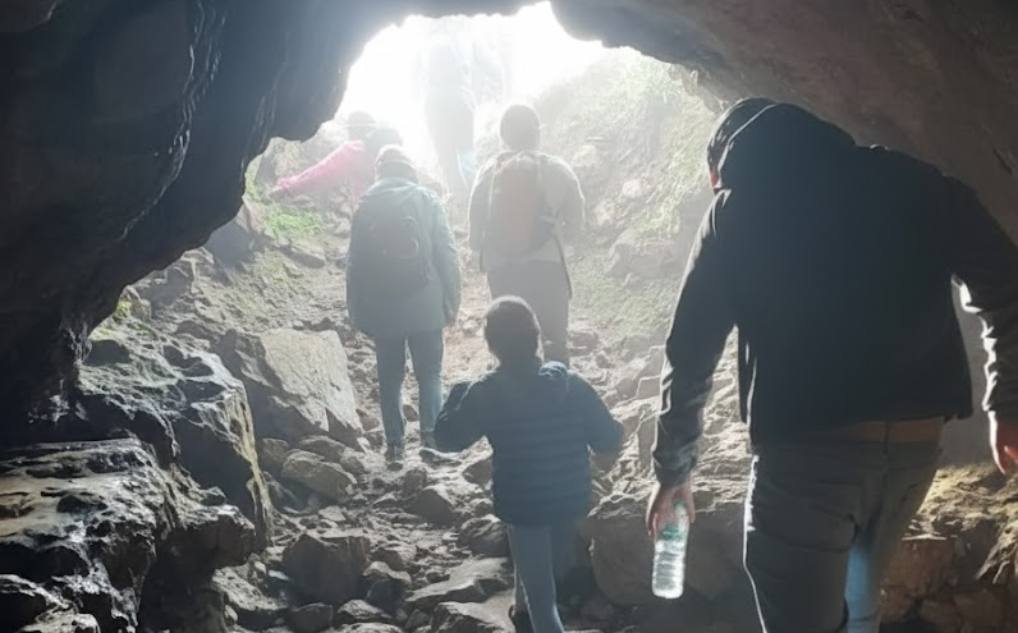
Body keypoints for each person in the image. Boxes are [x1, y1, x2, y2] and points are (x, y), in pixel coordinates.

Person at [646, 98, 1018, 633]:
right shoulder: (914, 180)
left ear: (717, 170)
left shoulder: (734, 209)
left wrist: (673, 471)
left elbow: (690, 352)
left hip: (806, 460)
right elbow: (1007, 282)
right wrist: (1008, 402)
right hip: (913, 451)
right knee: (858, 603)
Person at [434, 296, 623, 633]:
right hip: (570, 497)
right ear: (536, 337)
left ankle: (533, 614)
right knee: (544, 571)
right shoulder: (571, 383)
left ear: (492, 346)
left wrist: (457, 391)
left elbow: (447, 440)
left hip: (524, 504)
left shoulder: (486, 392)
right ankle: (521, 610)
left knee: (543, 602)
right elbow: (608, 439)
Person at [346, 145, 461, 463]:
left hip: (383, 306)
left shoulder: (365, 205)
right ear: (409, 170)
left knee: (389, 377)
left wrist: (356, 310)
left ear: (379, 171)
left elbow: (355, 263)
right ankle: (432, 440)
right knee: (430, 374)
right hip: (426, 303)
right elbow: (447, 253)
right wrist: (452, 300)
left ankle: (395, 445)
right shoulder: (427, 200)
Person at [468, 104, 584, 365]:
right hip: (547, 268)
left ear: (503, 137)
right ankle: (557, 387)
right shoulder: (558, 169)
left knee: (509, 349)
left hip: (502, 271)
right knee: (555, 344)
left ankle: (514, 390)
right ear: (538, 133)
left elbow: (475, 233)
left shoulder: (488, 173)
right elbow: (576, 224)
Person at [271, 112, 402, 205]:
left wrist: (288, 188)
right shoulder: (394, 153)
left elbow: (322, 172)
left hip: (373, 213)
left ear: (355, 130)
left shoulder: (354, 150)